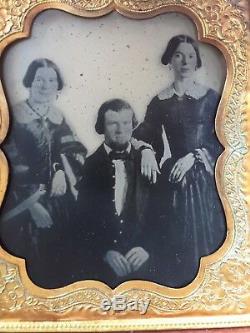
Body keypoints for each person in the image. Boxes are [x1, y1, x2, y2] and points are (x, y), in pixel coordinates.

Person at [135, 35, 226, 287]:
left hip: (203, 179)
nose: (184, 60)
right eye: (178, 55)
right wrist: (146, 151)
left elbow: (222, 140)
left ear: (197, 61)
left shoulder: (210, 98)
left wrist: (194, 156)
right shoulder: (159, 101)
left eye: (190, 55)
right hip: (172, 178)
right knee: (172, 240)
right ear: (170, 61)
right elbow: (145, 134)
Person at [0, 58, 87, 288]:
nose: (45, 85)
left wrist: (60, 171)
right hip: (20, 202)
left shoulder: (58, 117)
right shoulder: (13, 117)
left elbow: (72, 150)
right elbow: (10, 164)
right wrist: (32, 205)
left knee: (65, 259)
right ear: (30, 81)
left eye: (51, 80)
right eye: (39, 79)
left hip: (59, 200)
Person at [76, 99, 154, 288]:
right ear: (102, 127)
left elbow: (162, 212)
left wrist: (148, 248)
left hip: (145, 261)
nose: (120, 130)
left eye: (126, 123)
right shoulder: (89, 166)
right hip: (102, 264)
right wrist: (104, 251)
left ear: (133, 125)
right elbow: (81, 221)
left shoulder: (148, 160)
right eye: (113, 124)